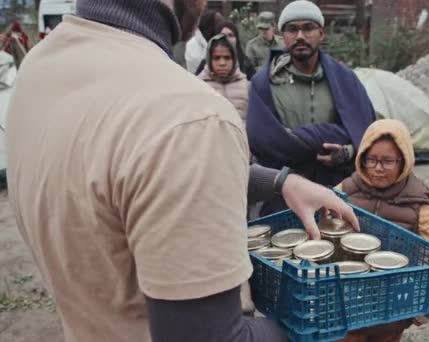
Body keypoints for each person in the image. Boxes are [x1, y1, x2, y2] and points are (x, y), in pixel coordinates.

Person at [5, 0, 360, 341]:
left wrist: (280, 182)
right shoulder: (191, 116)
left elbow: (120, 174)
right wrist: (338, 324)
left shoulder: (39, 66)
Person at [247, 0, 376, 215]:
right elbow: (262, 139)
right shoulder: (264, 83)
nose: (300, 36)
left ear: (321, 34)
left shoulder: (345, 80)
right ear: (282, 35)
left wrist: (347, 152)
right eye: (292, 29)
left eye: (308, 28)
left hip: (337, 190)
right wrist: (316, 140)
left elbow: (367, 130)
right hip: (285, 194)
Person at [336, 119, 429, 242]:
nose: (378, 168)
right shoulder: (344, 190)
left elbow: (426, 253)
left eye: (387, 161)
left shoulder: (420, 207)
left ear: (404, 162)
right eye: (371, 160)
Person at [199, 33, 249, 125]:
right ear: (209, 60)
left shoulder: (247, 86)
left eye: (227, 58)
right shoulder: (199, 86)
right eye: (216, 58)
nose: (222, 63)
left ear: (234, 60)